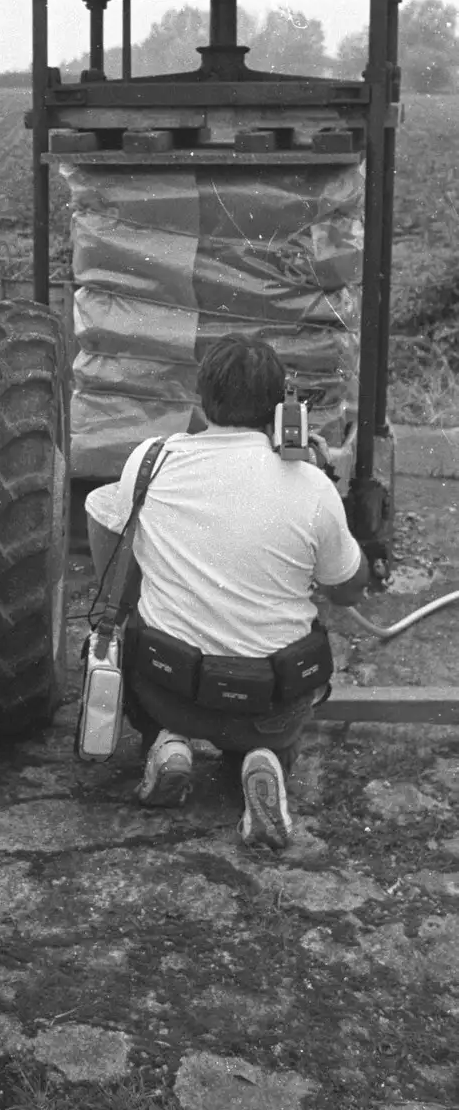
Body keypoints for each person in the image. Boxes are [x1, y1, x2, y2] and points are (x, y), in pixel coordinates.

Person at [85, 333, 369, 850]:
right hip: (272, 707)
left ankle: (166, 744)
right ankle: (262, 761)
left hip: (169, 691)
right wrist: (328, 485)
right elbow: (349, 589)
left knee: (137, 628)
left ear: (200, 396)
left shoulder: (150, 461)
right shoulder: (311, 485)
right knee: (274, 717)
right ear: (282, 404)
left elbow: (107, 520)